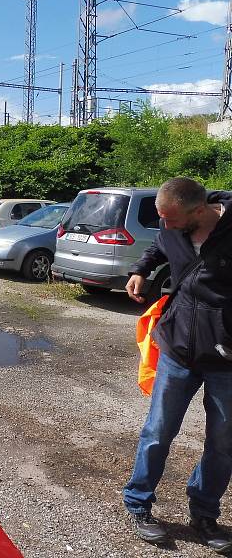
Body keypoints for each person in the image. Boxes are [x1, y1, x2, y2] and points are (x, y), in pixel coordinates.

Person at [122, 177, 232, 553]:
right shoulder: (171, 226)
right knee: (157, 431)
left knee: (222, 442)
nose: (164, 226)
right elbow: (159, 244)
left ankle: (204, 514)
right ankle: (138, 504)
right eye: (161, 218)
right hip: (178, 349)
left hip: (226, 358)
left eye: (171, 219)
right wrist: (141, 268)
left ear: (199, 211)